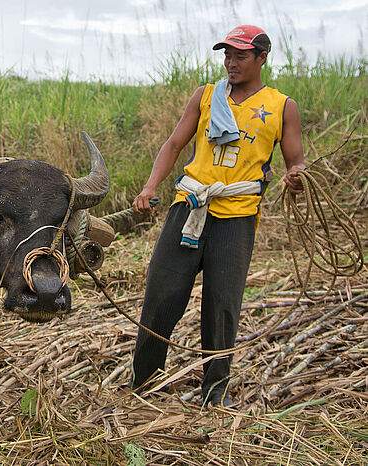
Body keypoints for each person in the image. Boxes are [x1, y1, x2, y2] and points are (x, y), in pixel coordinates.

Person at [129, 25, 306, 407]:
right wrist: (149, 187)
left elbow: (296, 162)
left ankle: (215, 394)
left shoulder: (281, 106)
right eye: (227, 54)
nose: (231, 62)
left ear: (262, 58)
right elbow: (175, 143)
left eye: (240, 55)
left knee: (222, 306)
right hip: (190, 205)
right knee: (161, 296)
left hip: (237, 216)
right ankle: (142, 387)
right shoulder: (207, 96)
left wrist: (296, 177)